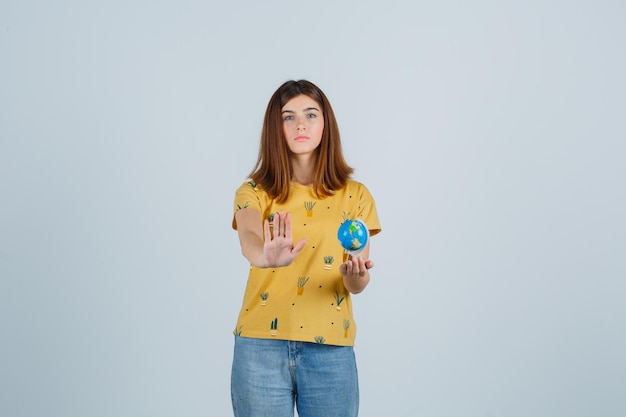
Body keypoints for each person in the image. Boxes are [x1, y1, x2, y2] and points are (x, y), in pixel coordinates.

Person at [230, 79, 381, 417]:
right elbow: (250, 235)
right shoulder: (254, 191)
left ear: (326, 123)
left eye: (311, 114)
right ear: (275, 127)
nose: (301, 124)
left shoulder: (355, 195)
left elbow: (356, 281)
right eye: (288, 116)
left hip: (331, 352)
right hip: (260, 347)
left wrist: (355, 275)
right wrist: (263, 256)